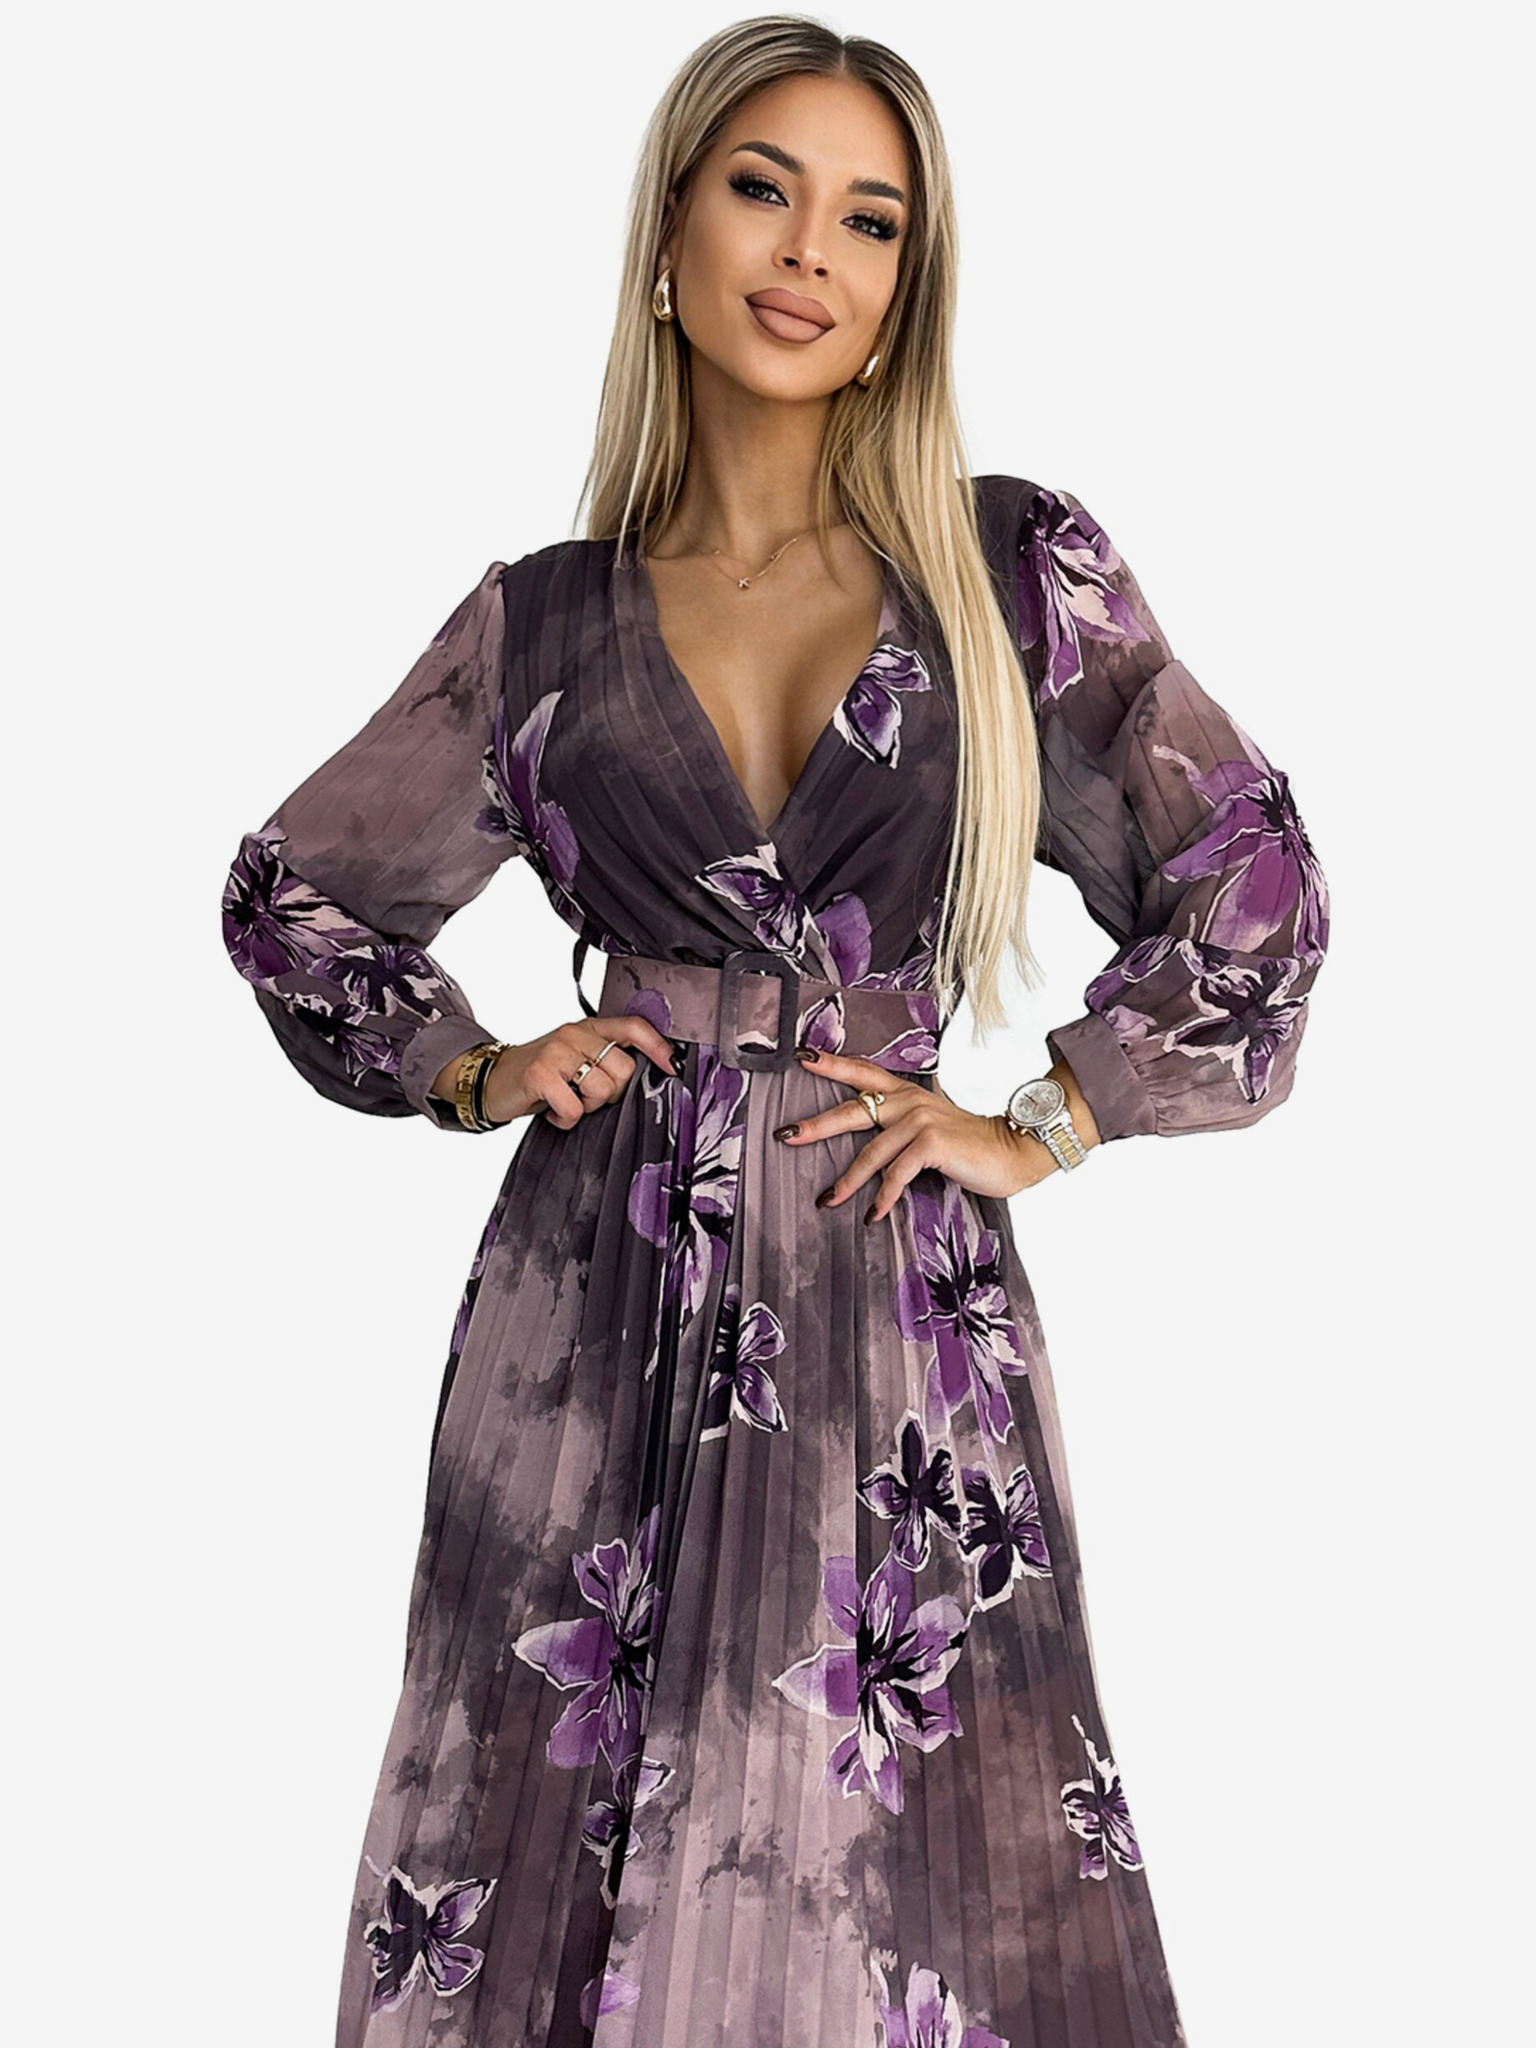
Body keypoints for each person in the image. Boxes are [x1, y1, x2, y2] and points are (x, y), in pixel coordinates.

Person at [220, 17, 1329, 2046]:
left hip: (883, 1294)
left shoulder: (1008, 573)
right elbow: (295, 894)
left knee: (908, 1875)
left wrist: (1055, 1114)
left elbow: (1253, 879)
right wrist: (472, 1067)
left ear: (910, 282)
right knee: (548, 1853)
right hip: (594, 1307)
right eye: (763, 188)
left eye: (870, 219)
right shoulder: (541, 625)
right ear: (671, 234)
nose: (811, 249)